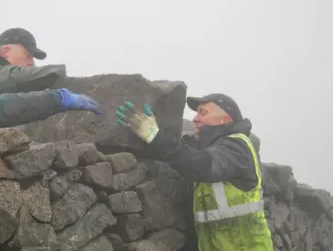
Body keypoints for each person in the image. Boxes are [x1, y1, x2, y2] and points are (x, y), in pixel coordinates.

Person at [116, 94, 273, 251]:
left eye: (203, 113)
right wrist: (156, 132)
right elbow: (180, 153)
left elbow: (203, 164)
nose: (195, 119)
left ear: (224, 120)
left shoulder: (237, 148)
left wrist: (154, 135)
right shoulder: (205, 147)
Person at [0, 28, 66, 95]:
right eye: (28, 56)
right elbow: (15, 76)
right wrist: (60, 72)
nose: (32, 63)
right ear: (6, 51)